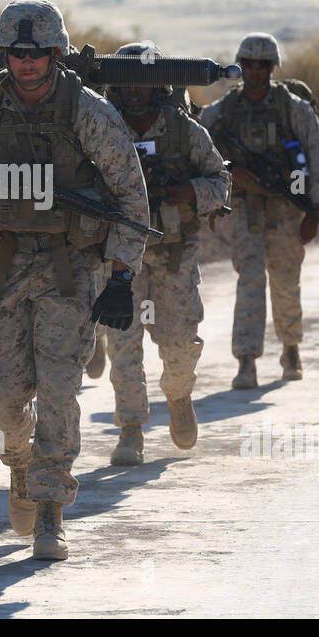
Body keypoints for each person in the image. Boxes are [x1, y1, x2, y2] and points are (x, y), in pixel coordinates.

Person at [0, 0, 149, 561]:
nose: (26, 63)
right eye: (16, 53)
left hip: (70, 265)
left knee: (61, 386)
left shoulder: (87, 112)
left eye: (37, 53)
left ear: (56, 54)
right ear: (4, 54)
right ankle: (18, 458)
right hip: (1, 261)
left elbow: (130, 196)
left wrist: (120, 278)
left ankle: (50, 509)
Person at [100, 43, 230, 465]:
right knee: (123, 344)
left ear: (158, 84)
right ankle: (131, 430)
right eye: (125, 81)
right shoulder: (102, 126)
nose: (133, 90)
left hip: (174, 255)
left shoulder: (181, 130)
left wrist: (189, 191)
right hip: (120, 253)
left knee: (178, 344)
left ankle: (178, 396)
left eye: (142, 80)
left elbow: (221, 180)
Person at [199, 32, 319, 390]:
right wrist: (228, 174)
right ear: (240, 66)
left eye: (263, 65)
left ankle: (290, 348)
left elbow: (318, 159)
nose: (255, 71)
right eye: (249, 64)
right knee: (249, 281)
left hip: (288, 209)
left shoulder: (293, 108)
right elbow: (198, 147)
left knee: (287, 281)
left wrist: (315, 212)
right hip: (246, 209)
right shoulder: (223, 111)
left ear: (273, 68)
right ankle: (246, 360)